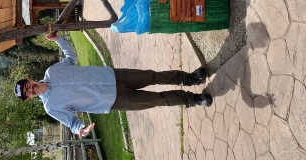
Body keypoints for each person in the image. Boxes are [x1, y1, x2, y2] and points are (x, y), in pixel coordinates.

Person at [13, 34, 212, 137]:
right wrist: (80, 130)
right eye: (26, 93)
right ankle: (193, 99)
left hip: (112, 75)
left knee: (153, 76)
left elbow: (71, 57)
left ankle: (191, 78)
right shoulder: (50, 107)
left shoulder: (51, 72)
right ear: (29, 98)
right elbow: (72, 123)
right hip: (113, 99)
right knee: (157, 99)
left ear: (29, 80)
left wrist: (59, 40)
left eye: (26, 85)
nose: (29, 89)